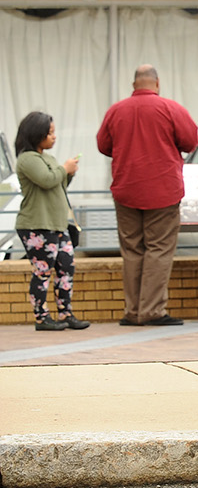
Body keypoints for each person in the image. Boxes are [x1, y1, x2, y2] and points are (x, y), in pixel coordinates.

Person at [96, 64, 198, 327]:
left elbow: (103, 145)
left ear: (134, 85)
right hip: (163, 190)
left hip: (126, 188)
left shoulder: (116, 110)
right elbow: (190, 142)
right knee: (159, 249)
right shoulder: (171, 109)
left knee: (132, 250)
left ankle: (133, 311)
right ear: (157, 83)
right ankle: (152, 311)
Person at [14, 112, 88, 331]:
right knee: (42, 271)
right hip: (36, 225)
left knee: (66, 268)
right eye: (49, 133)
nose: (54, 136)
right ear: (36, 134)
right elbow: (46, 180)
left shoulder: (49, 159)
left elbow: (57, 185)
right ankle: (42, 317)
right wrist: (64, 169)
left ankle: (66, 313)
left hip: (58, 224)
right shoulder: (27, 159)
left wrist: (68, 174)